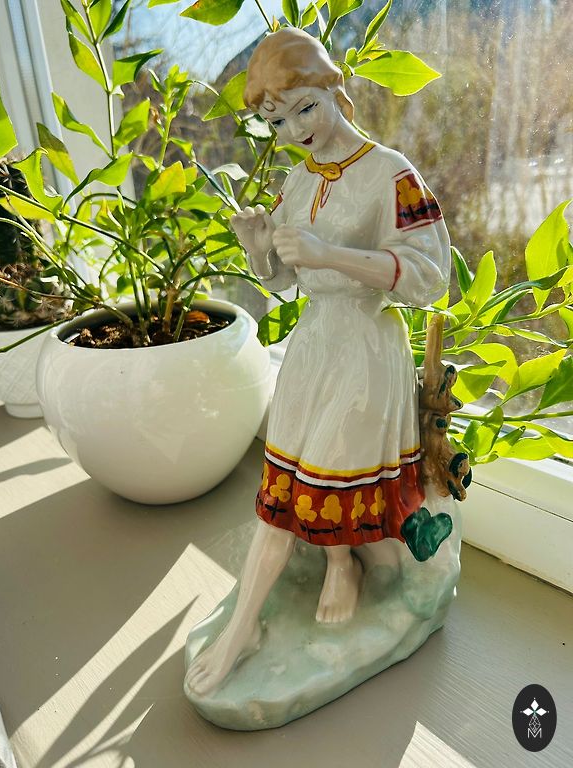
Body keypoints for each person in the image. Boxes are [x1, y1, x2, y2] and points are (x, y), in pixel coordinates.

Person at [185, 27, 451, 697]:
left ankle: (271, 611)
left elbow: (431, 276)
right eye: (278, 122)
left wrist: (333, 255)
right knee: (291, 485)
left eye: (306, 107)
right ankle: (320, 576)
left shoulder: (391, 173)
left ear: (336, 89)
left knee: (333, 466)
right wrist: (258, 247)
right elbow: (282, 281)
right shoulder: (298, 180)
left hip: (365, 347)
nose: (296, 131)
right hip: (313, 345)